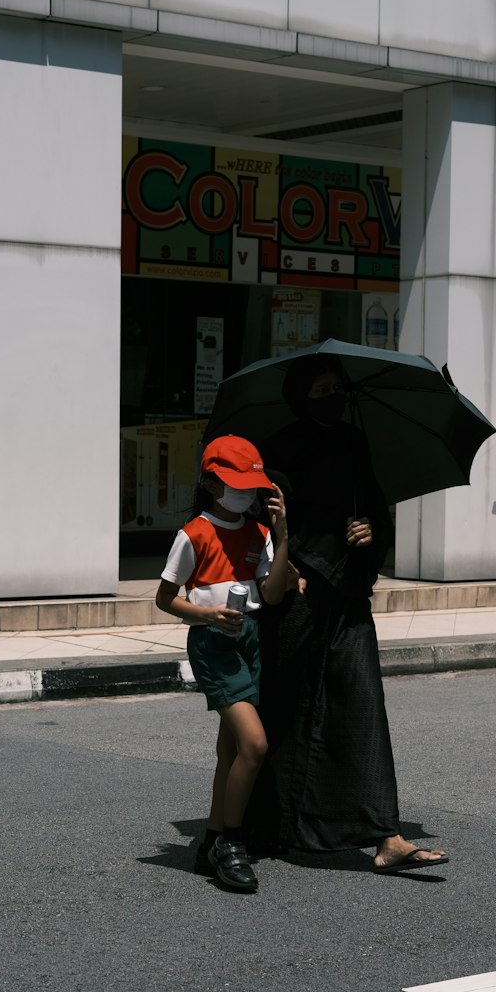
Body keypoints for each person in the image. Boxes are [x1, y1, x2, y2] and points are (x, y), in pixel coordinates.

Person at [249, 352, 449, 875]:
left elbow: (375, 514)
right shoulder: (279, 451)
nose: (331, 398)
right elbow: (262, 523)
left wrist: (368, 533)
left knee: (363, 705)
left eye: (337, 388)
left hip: (346, 596)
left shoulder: (355, 443)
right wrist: (285, 564)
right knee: (289, 706)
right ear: (300, 397)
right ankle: (273, 825)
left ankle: (387, 835)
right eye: (320, 391)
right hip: (298, 595)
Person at [155, 435, 290, 892]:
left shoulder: (260, 533)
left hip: (251, 638)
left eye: (253, 486)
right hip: (213, 642)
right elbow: (164, 599)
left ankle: (211, 839)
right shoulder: (193, 533)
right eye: (237, 485)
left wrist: (283, 534)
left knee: (230, 750)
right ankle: (230, 843)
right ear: (212, 484)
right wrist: (209, 615)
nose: (247, 493)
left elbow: (271, 594)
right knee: (253, 745)